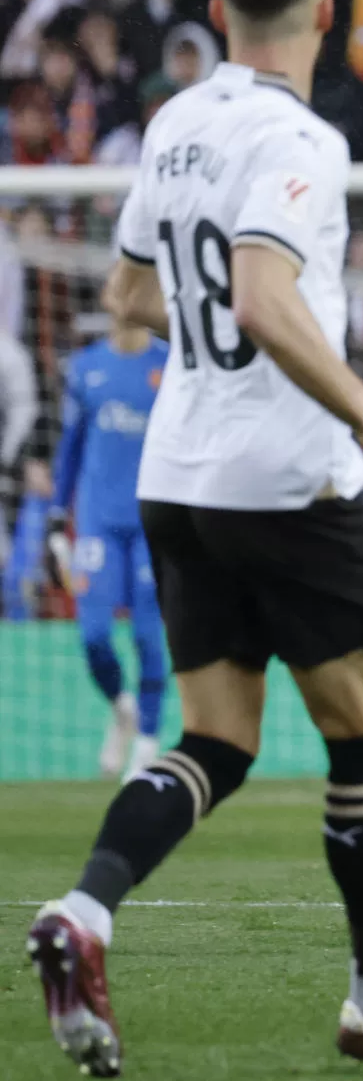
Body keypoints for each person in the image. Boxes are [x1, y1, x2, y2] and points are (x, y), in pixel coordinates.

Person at [31, 0, 363, 1077]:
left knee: (217, 743)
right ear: (328, 11)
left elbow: (133, 302)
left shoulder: (175, 121)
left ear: (217, 10)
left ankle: (84, 913)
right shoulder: (303, 141)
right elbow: (262, 295)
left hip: (178, 474)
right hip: (287, 478)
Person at [51, 314, 170, 784]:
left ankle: (147, 743)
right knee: (94, 635)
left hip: (152, 521)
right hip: (99, 522)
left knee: (147, 635)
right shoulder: (85, 367)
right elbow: (70, 446)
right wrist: (58, 517)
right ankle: (124, 709)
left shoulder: (169, 364)